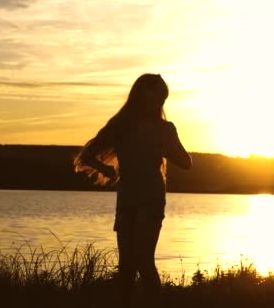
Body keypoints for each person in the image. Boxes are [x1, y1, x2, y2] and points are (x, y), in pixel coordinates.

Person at [74, 73, 192, 307]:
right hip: (127, 199)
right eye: (156, 97)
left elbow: (186, 163)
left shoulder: (165, 129)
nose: (159, 103)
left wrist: (168, 148)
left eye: (162, 99)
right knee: (127, 264)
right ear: (141, 96)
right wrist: (105, 170)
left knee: (143, 260)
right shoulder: (121, 125)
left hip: (151, 198)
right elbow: (86, 155)